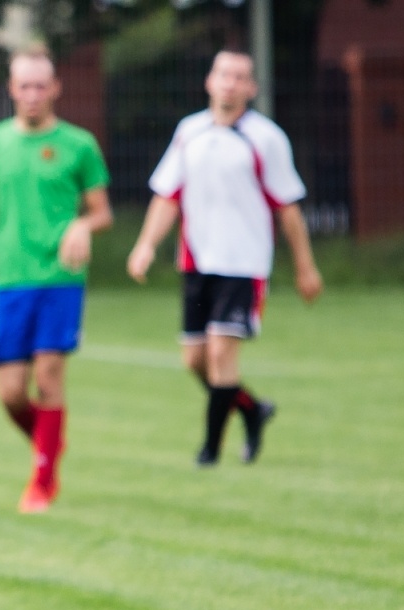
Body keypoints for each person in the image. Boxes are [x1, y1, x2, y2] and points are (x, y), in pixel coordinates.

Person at [0, 46, 113, 514]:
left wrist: (81, 225)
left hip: (60, 277)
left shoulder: (79, 145)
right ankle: (49, 442)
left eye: (41, 85)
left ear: (55, 89)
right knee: (11, 392)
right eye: (24, 86)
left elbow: (102, 212)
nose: (33, 94)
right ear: (11, 90)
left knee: (49, 377)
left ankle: (42, 481)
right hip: (8, 279)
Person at [126, 49, 322, 466]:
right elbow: (167, 195)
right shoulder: (189, 132)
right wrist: (146, 244)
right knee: (195, 360)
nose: (230, 83)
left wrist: (305, 267)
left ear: (251, 88)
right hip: (197, 263)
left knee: (220, 355)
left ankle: (209, 453)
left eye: (239, 77)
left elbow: (288, 209)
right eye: (223, 74)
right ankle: (251, 410)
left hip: (243, 264)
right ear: (209, 81)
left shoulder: (265, 138)